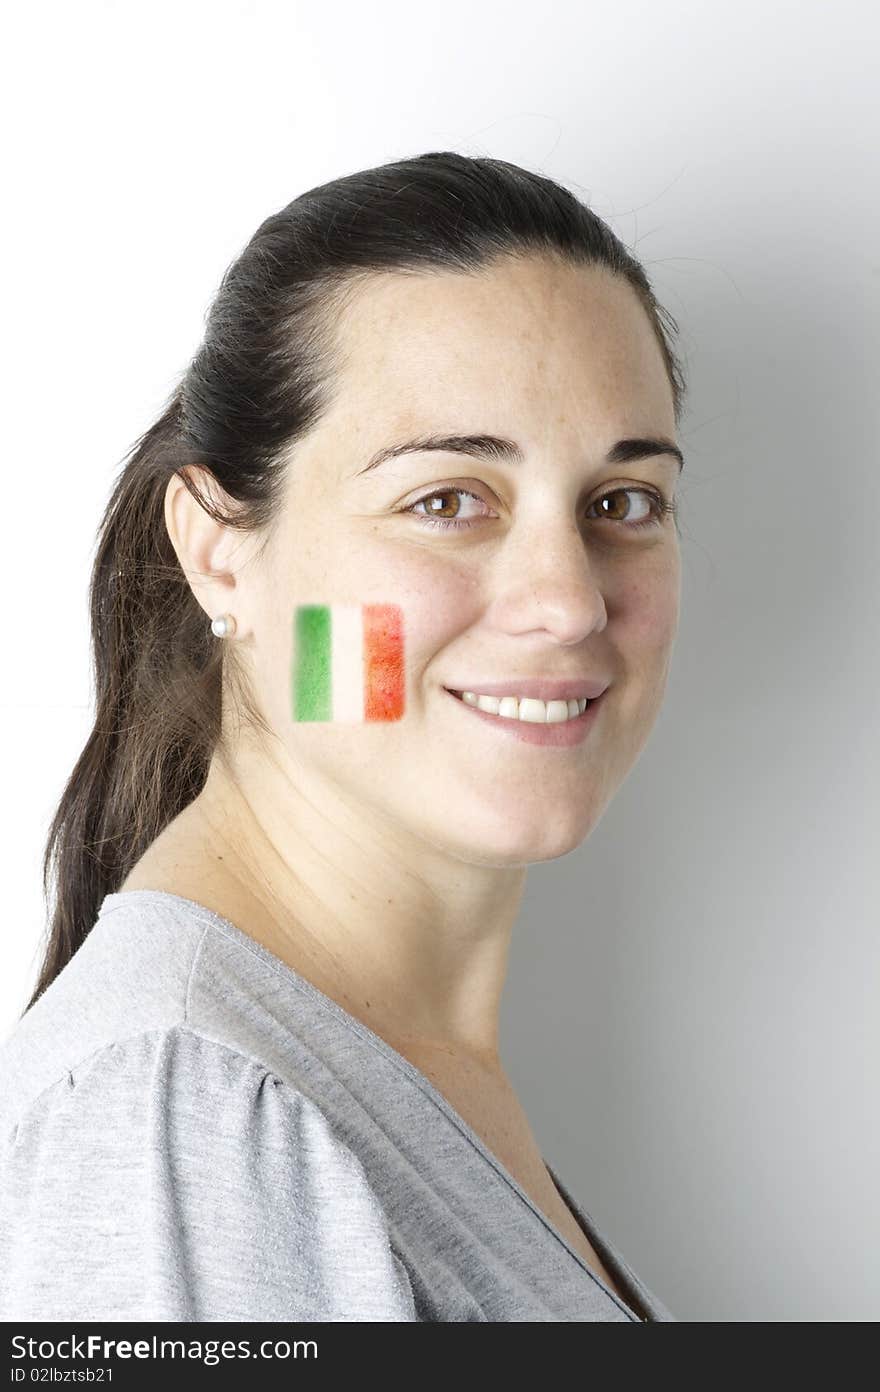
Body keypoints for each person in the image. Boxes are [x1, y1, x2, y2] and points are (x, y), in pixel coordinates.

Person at [0, 151, 686, 1322]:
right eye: (446, 500)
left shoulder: (361, 1065)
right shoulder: (187, 1108)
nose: (568, 601)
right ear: (221, 552)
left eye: (620, 503)